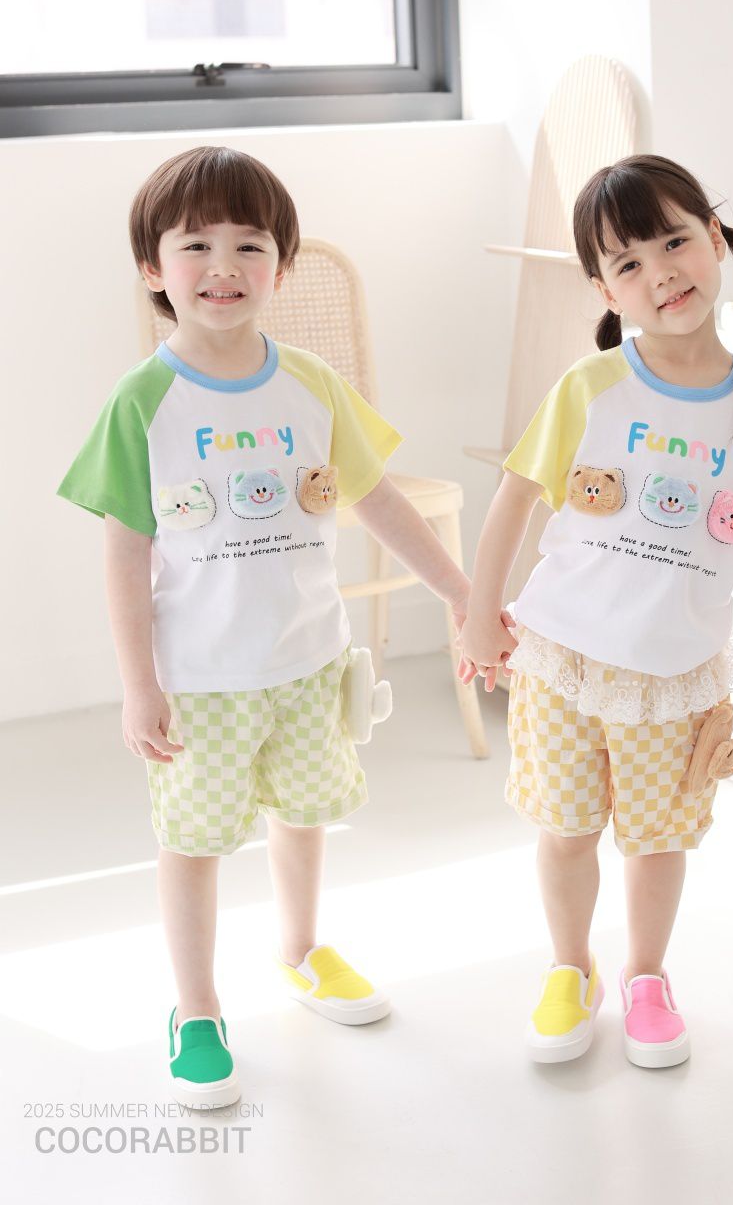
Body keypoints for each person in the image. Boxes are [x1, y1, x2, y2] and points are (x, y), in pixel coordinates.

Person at [58, 145, 491, 1109]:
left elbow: (377, 499)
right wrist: (138, 683)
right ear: (152, 266)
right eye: (196, 245)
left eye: (250, 245)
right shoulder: (144, 400)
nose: (224, 266)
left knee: (306, 813)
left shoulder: (312, 382)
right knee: (195, 840)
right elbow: (125, 553)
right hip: (200, 680)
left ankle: (300, 949)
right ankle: (197, 1008)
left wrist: (462, 592)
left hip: (307, 662)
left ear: (281, 267)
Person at [458, 154, 733, 1069]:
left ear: (714, 240)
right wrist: (480, 617)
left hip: (675, 677)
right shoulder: (591, 386)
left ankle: (645, 978)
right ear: (605, 290)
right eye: (628, 263)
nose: (660, 273)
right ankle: (570, 969)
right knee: (565, 833)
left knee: (657, 842)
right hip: (561, 662)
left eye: (674, 242)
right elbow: (514, 497)